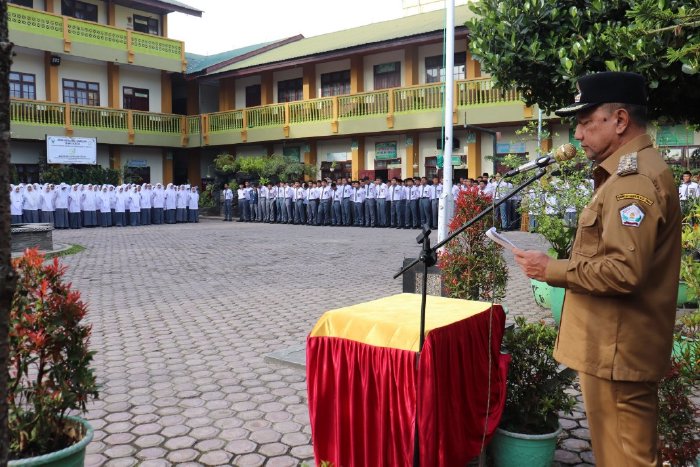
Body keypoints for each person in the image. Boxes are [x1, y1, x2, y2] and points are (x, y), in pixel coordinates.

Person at [513, 71, 680, 466]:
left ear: (620, 120)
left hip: (618, 351)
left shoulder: (632, 181)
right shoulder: (627, 173)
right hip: (615, 347)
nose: (579, 135)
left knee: (626, 459)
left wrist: (553, 269)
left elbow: (624, 271)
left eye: (587, 122)